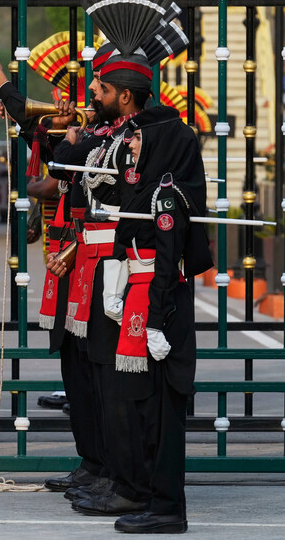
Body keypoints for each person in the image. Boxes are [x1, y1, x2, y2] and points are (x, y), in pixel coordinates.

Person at [0, 50, 107, 497]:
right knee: (76, 367)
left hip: (99, 268)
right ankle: (93, 463)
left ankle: (111, 470)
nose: (91, 93)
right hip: (72, 259)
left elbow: (53, 175)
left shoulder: (116, 136)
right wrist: (17, 100)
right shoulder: (94, 132)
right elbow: (42, 145)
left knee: (98, 374)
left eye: (100, 87)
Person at [107, 54, 211, 534]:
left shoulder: (167, 195)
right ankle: (155, 499)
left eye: (139, 137)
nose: (131, 142)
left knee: (166, 413)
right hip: (150, 297)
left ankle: (168, 508)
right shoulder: (150, 188)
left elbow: (168, 262)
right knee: (147, 408)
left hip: (163, 305)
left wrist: (154, 322)